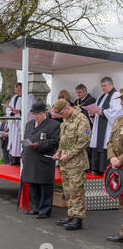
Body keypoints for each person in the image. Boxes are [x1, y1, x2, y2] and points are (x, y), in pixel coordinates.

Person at [53, 99, 91, 231]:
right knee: (68, 191)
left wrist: (68, 154)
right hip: (65, 162)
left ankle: (78, 218)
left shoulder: (81, 120)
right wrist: (58, 152)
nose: (61, 116)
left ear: (67, 108)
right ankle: (71, 214)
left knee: (76, 191)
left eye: (62, 113)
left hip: (76, 162)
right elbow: (63, 140)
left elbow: (84, 142)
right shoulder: (66, 120)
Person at [22, 102, 60, 219]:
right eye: (34, 114)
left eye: (38, 114)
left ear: (44, 113)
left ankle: (45, 210)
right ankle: (36, 207)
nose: (35, 116)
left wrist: (39, 145)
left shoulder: (54, 125)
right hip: (30, 158)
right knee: (33, 184)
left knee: (45, 185)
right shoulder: (29, 124)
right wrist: (23, 153)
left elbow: (55, 141)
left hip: (43, 158)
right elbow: (25, 139)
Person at [89, 77, 121, 175]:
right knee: (97, 145)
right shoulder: (101, 97)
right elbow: (97, 117)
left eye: (105, 85)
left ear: (111, 85)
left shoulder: (116, 95)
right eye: (102, 86)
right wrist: (92, 115)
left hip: (108, 129)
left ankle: (104, 171)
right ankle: (96, 168)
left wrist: (102, 112)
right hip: (99, 129)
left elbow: (117, 112)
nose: (103, 88)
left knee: (105, 145)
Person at [105, 88, 123, 243]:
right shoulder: (119, 120)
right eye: (121, 100)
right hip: (118, 166)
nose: (122, 103)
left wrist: (120, 159)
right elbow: (110, 141)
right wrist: (112, 157)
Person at [6, 82, 36, 166]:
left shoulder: (30, 97)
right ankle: (14, 159)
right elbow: (8, 110)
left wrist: (19, 112)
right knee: (14, 141)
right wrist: (12, 112)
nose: (18, 92)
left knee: (21, 140)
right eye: (17, 90)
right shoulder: (14, 98)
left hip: (23, 123)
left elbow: (30, 110)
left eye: (20, 90)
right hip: (14, 123)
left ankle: (22, 159)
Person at [73, 84, 96, 171]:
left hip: (88, 126)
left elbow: (92, 112)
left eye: (80, 92)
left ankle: (88, 165)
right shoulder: (76, 101)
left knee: (87, 145)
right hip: (78, 127)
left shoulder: (91, 100)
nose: (78, 95)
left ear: (85, 91)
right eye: (77, 93)